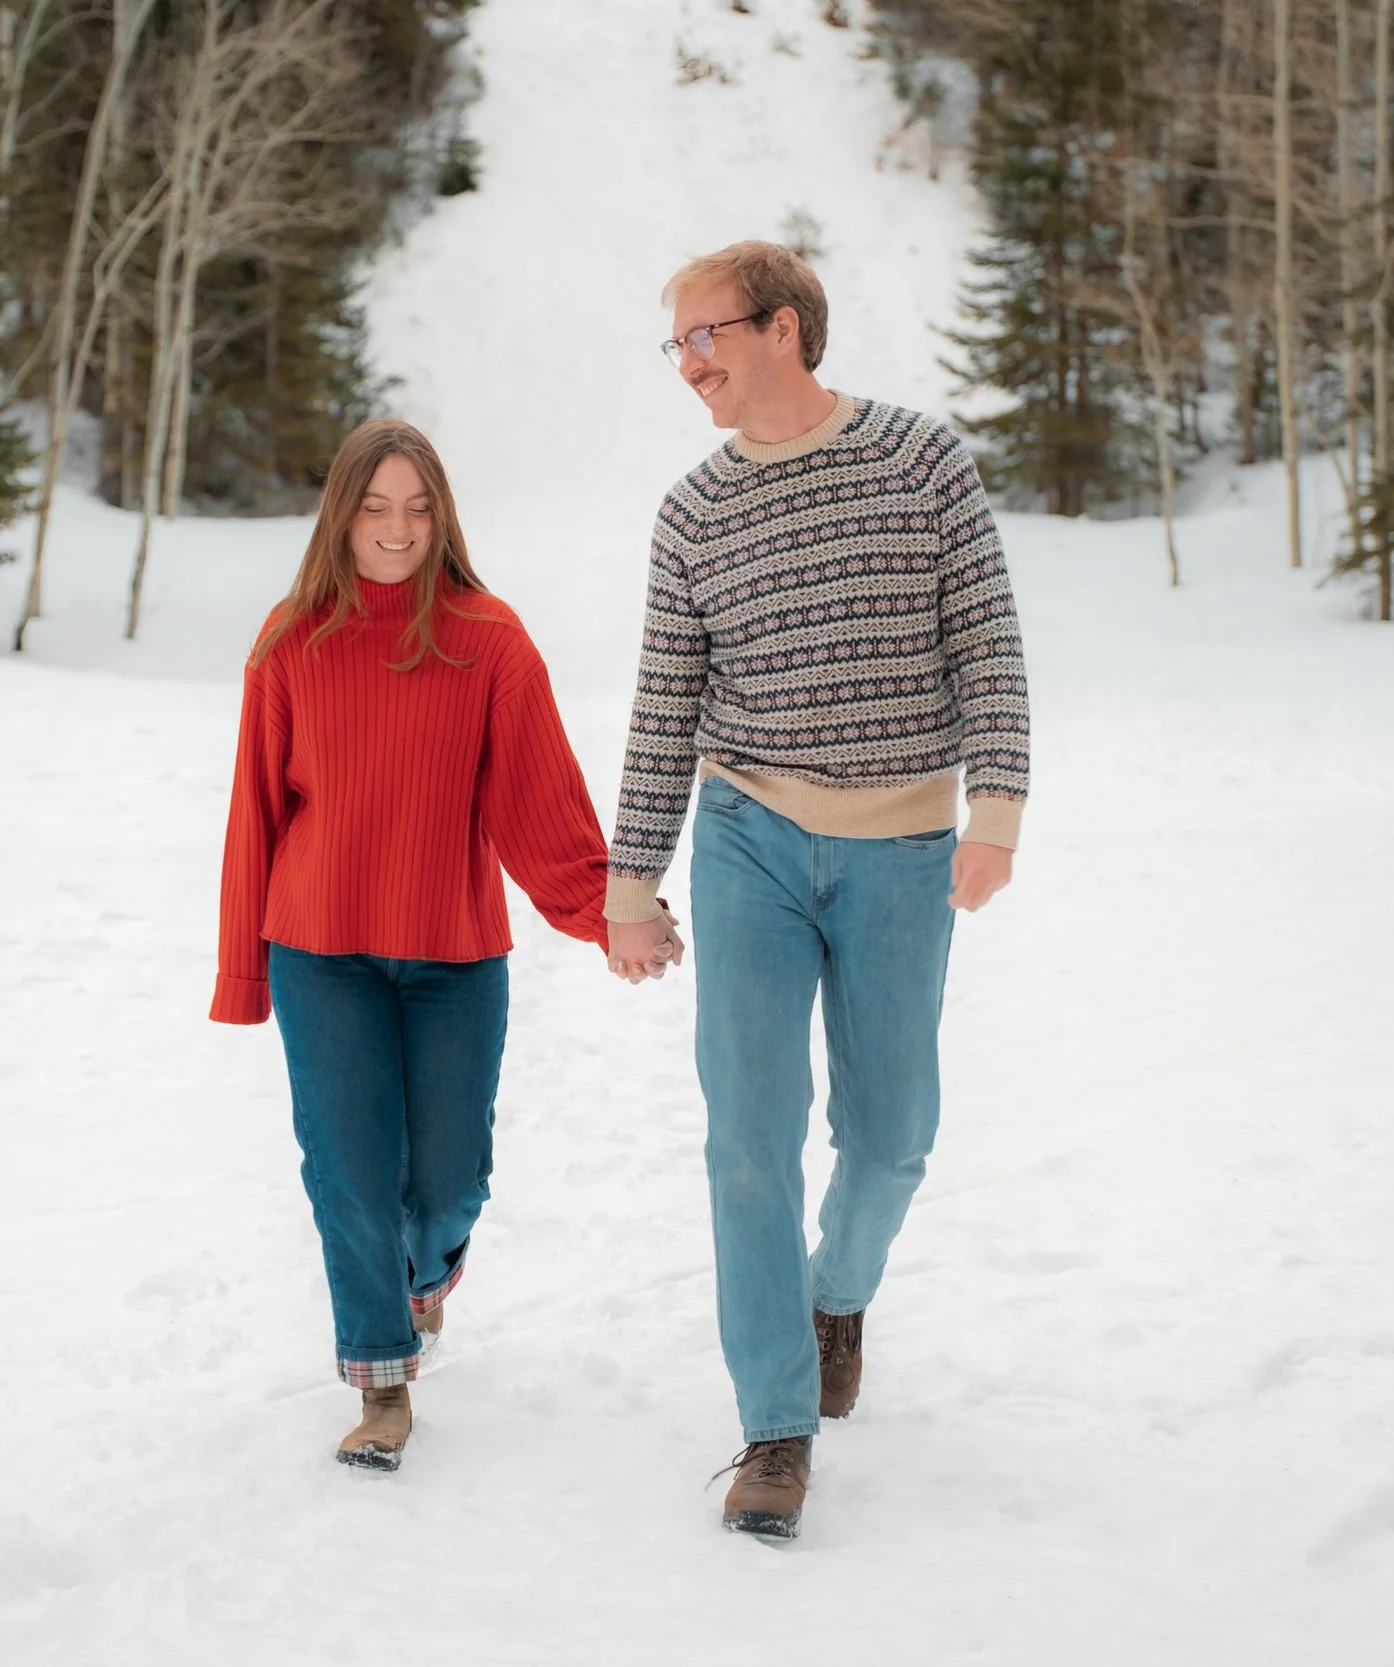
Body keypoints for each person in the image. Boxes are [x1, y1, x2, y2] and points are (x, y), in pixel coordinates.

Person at [604, 242, 1030, 1539]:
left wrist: (997, 805)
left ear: (783, 328)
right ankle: (775, 1424)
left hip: (903, 838)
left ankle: (837, 1294)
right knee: (747, 1136)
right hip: (750, 839)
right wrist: (633, 878)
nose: (690, 364)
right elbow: (665, 704)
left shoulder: (920, 461)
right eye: (676, 344)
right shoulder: (693, 513)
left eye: (706, 336)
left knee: (894, 1130)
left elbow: (988, 639)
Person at [212, 418, 656, 1470]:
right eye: (374, 506)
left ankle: (421, 1278)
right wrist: (242, 971)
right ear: (341, 515)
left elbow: (538, 803)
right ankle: (380, 1379)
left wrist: (609, 913)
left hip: (454, 955)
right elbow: (253, 816)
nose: (396, 527)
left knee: (450, 1177)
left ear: (441, 515)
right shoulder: (290, 640)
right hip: (320, 948)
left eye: (416, 506)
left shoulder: (488, 638)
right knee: (349, 1173)